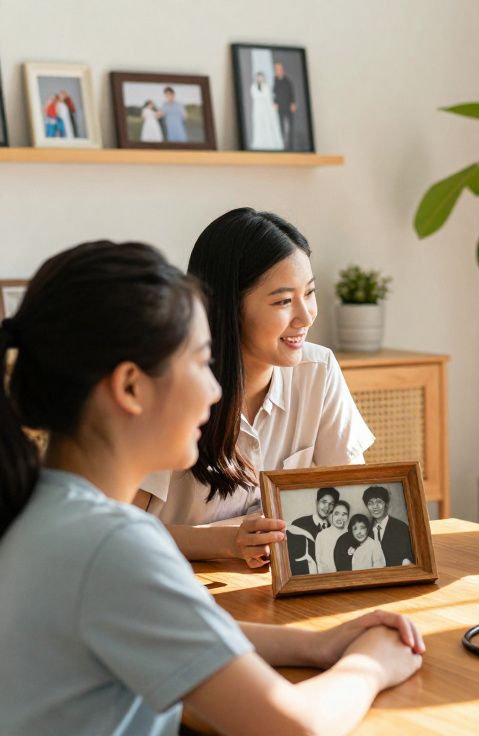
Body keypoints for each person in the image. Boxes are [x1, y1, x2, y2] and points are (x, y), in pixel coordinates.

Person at [0, 240, 423, 735]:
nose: (216, 389)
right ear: (131, 387)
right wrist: (371, 664)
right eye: (201, 363)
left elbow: (170, 629)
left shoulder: (42, 507)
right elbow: (294, 728)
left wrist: (318, 644)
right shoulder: (113, 546)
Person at [136, 208, 374, 568]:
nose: (306, 316)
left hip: (273, 582)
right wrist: (225, 542)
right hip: (176, 579)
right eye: (283, 301)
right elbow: (117, 530)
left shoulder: (318, 370)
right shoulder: (167, 386)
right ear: (228, 307)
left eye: (309, 293)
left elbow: (354, 497)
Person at [288, 487, 338, 575]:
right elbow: (291, 558)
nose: (327, 507)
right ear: (317, 502)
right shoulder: (299, 524)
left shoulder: (333, 529)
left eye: (331, 504)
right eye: (324, 502)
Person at [363, 485, 412, 566]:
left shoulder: (401, 527)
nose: (375, 507)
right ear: (367, 506)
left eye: (379, 502)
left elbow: (407, 559)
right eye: (370, 503)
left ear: (386, 504)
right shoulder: (365, 531)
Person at [249, 71, 284, 150]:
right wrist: (261, 96)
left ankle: (269, 141)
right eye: (258, 77)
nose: (260, 79)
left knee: (267, 124)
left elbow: (267, 97)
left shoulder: (266, 86)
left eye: (261, 77)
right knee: (259, 124)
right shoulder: (254, 87)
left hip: (266, 108)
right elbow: (256, 96)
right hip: (258, 108)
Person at [316, 500, 350, 573]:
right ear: (332, 515)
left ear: (348, 517)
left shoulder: (351, 535)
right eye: (336, 514)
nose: (340, 517)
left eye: (344, 514)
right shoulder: (322, 535)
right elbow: (319, 562)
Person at [273, 61, 296, 150]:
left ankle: (290, 145)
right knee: (280, 126)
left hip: (288, 106)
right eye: (277, 69)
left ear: (282, 70)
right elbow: (273, 93)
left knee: (290, 126)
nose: (278, 71)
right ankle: (282, 145)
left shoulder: (287, 81)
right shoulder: (274, 81)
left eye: (280, 69)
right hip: (279, 107)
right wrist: (274, 102)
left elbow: (291, 93)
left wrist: (293, 103)